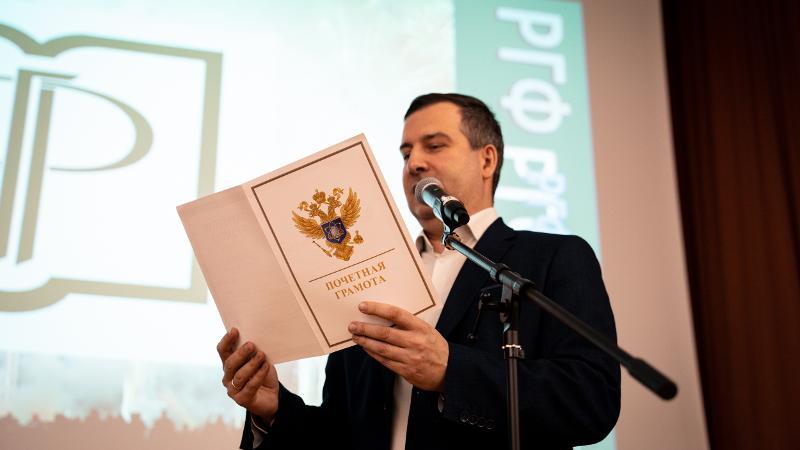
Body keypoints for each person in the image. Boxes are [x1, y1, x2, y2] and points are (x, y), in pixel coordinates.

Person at [216, 93, 621, 450]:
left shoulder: (551, 258)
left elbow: (590, 400)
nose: (414, 163)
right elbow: (344, 431)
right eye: (406, 153)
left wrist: (451, 371)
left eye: (435, 145)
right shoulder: (366, 272)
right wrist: (274, 409)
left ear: (487, 159)